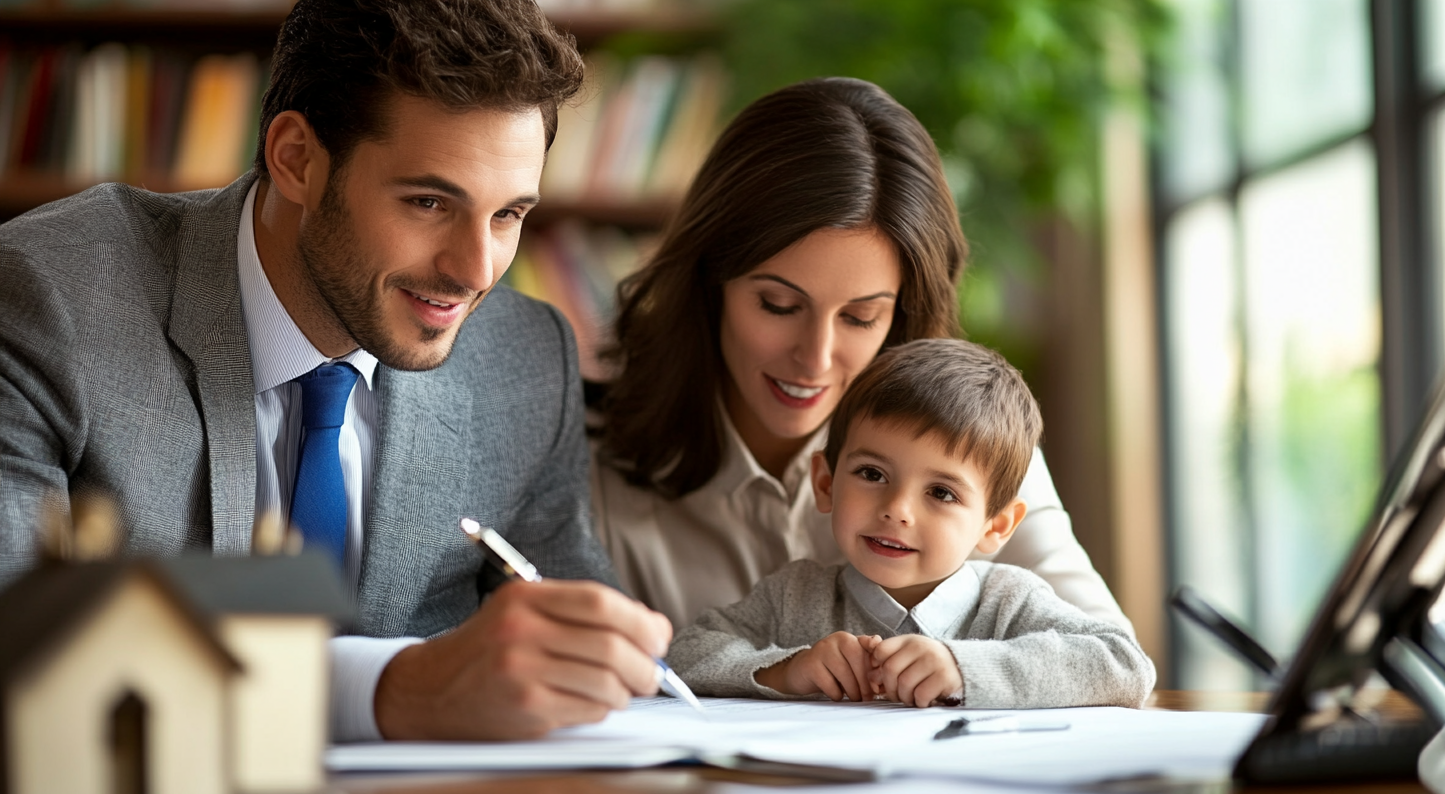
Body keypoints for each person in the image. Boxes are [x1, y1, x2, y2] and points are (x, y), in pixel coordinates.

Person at [0, 0, 670, 742]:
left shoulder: (523, 360)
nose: (476, 270)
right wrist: (392, 691)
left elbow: (591, 656)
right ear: (296, 159)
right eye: (427, 202)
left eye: (509, 214)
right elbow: (18, 646)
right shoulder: (50, 300)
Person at [592, 77, 1133, 637]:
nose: (815, 358)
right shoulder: (593, 464)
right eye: (778, 305)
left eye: (859, 317)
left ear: (901, 314)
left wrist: (957, 668)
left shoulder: (970, 441)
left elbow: (1111, 660)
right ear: (710, 283)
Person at [666, 339, 1155, 709]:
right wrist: (786, 671)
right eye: (872, 474)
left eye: (941, 492)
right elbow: (685, 655)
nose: (897, 509)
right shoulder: (794, 594)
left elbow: (1125, 663)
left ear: (997, 525)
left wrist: (964, 669)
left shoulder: (1010, 601)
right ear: (826, 483)